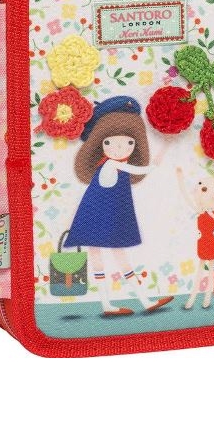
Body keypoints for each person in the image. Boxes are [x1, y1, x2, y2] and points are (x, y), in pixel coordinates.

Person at [64, 96, 173, 316]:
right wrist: (159, 157)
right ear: (99, 143)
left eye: (129, 142)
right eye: (109, 142)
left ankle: (125, 302)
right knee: (113, 257)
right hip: (100, 217)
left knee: (104, 257)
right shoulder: (112, 165)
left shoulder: (114, 164)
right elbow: (141, 170)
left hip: (103, 216)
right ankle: (133, 301)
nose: (120, 147)